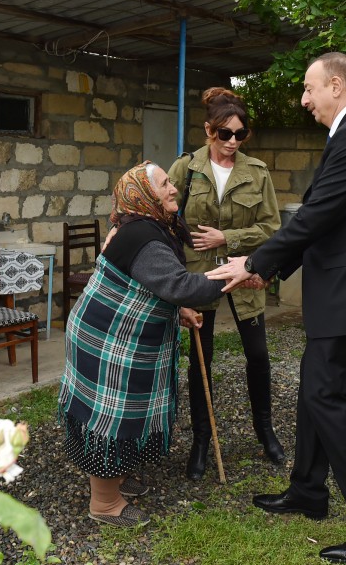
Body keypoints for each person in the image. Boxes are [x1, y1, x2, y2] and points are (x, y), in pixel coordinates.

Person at [206, 53, 346, 562]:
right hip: (345, 290)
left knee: (326, 399)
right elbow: (326, 218)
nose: (303, 99)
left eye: (308, 88)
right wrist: (265, 267)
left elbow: (316, 216)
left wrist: (256, 258)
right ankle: (308, 491)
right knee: (315, 392)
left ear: (335, 85)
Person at [57, 162, 226, 527]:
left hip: (110, 333)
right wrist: (235, 275)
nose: (173, 189)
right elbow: (179, 284)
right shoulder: (146, 238)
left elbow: (148, 286)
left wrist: (177, 310)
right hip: (107, 341)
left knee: (125, 413)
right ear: (144, 194)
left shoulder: (142, 227)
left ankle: (114, 478)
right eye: (165, 184)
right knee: (111, 417)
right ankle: (104, 503)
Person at [167, 87, 284, 481]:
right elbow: (163, 216)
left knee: (258, 355)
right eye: (224, 134)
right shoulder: (186, 168)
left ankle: (264, 431)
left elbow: (272, 227)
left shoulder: (257, 172)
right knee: (201, 359)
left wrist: (228, 239)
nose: (232, 142)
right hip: (199, 275)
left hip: (244, 272)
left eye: (240, 134)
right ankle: (202, 440)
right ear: (208, 130)